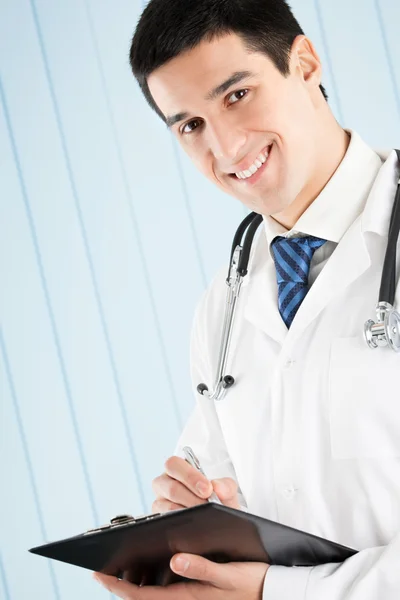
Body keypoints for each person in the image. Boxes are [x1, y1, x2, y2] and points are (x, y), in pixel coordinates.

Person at [94, 0, 400, 598]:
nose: (227, 146)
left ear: (305, 64)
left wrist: (274, 593)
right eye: (190, 125)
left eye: (236, 95)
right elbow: (223, 483)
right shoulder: (225, 308)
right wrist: (191, 527)